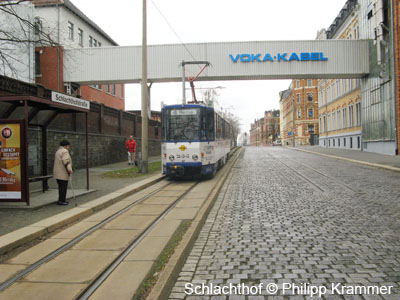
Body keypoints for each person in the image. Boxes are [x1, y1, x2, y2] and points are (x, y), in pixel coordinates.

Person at [53, 140, 73, 205]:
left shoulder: (58, 151)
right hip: (63, 172)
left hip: (57, 172)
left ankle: (61, 200)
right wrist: (70, 170)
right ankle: (62, 200)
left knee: (60, 187)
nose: (69, 147)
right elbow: (66, 161)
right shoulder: (65, 151)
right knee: (63, 187)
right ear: (66, 146)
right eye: (68, 146)